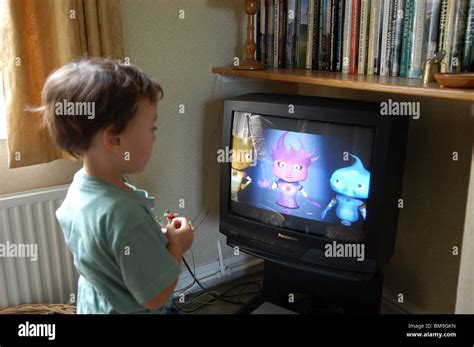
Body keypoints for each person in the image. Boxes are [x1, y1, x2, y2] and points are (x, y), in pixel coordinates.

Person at [39, 58, 194, 314]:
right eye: (151, 127)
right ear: (114, 139)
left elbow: (111, 253)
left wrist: (156, 240)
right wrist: (177, 245)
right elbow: (155, 297)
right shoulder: (125, 214)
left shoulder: (79, 189)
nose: (155, 136)